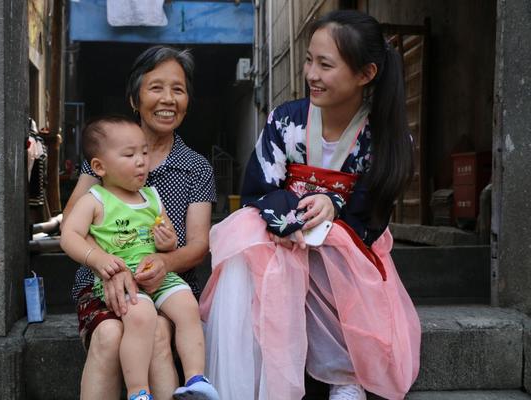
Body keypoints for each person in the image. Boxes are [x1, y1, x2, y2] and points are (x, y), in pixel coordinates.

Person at [199, 10, 421, 400]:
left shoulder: (388, 139)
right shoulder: (287, 121)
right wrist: (292, 221)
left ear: (365, 74)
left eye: (325, 64)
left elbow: (370, 219)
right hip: (282, 236)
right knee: (244, 235)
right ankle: (249, 376)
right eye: (309, 60)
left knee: (334, 248)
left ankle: (345, 375)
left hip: (348, 247)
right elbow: (258, 189)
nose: (311, 74)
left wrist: (332, 206)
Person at [62, 46, 216, 400]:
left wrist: (164, 260)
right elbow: (73, 224)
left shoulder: (196, 168)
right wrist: (111, 268)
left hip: (163, 284)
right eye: (156, 87)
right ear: (135, 98)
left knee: (158, 331)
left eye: (178, 89)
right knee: (109, 335)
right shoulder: (107, 156)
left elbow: (197, 244)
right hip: (104, 282)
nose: (168, 99)